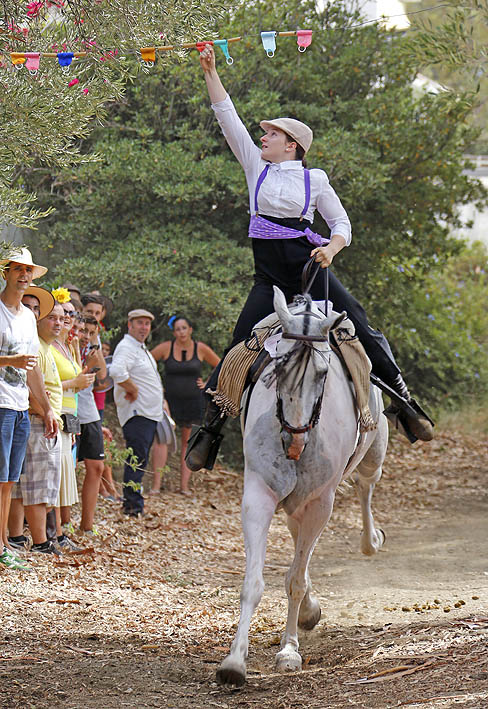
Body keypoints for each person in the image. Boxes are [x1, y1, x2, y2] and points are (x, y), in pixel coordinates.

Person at [186, 45, 434, 472]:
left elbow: (342, 224)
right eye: (263, 134)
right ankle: (211, 428)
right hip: (269, 281)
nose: (262, 137)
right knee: (237, 343)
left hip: (308, 271)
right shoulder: (254, 167)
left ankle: (404, 400)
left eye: (271, 134)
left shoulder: (314, 179)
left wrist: (331, 248)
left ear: (292, 146)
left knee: (357, 318)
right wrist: (209, 70)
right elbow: (226, 115)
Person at [0, 248, 57, 570]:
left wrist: (47, 409)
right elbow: (19, 362)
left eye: (28, 271)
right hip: (1, 404)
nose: (23, 276)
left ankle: (4, 544)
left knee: (9, 480)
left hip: (21, 406)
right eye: (18, 269)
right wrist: (11, 361)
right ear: (6, 272)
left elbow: (32, 368)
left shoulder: (26, 316)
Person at [8, 302, 65, 555]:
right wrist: (46, 411)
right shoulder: (37, 347)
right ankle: (39, 541)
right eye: (51, 317)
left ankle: (19, 537)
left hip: (40, 418)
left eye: (61, 318)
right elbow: (31, 390)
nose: (58, 323)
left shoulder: (46, 347)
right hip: (33, 418)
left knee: (21, 484)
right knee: (33, 485)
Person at [151, 316, 219, 495]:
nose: (181, 332)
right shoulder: (166, 347)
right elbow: (146, 362)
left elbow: (221, 365)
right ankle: (156, 486)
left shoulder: (201, 348)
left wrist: (209, 383)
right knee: (162, 439)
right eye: (177, 329)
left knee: (187, 442)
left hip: (193, 402)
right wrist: (156, 386)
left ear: (190, 330)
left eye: (184, 328)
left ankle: (184, 487)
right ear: (173, 332)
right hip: (168, 402)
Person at [110, 309, 164, 517]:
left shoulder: (140, 349)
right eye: (139, 323)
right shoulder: (126, 347)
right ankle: (132, 505)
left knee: (140, 458)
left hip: (148, 413)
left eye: (147, 324)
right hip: (137, 413)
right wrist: (131, 388)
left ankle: (134, 502)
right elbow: (116, 371)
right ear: (129, 324)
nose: (143, 327)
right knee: (136, 458)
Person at [51, 299, 94, 547]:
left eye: (71, 313)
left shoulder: (69, 346)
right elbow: (53, 383)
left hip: (72, 415)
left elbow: (77, 377)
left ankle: (58, 531)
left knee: (66, 472)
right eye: (63, 313)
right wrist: (75, 383)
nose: (68, 318)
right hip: (58, 411)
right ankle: (55, 532)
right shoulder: (50, 347)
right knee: (57, 475)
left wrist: (76, 346)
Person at [77, 315, 107, 532]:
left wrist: (95, 346)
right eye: (83, 331)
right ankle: (64, 523)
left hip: (90, 413)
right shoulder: (67, 344)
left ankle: (87, 525)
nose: (85, 336)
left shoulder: (92, 347)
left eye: (91, 332)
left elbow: (103, 378)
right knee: (67, 467)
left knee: (96, 466)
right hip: (70, 410)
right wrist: (89, 364)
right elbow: (76, 378)